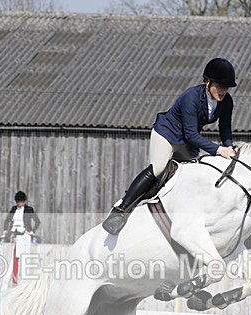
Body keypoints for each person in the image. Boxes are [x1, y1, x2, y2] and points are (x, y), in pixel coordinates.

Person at [102, 57, 238, 235]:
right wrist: (219, 150)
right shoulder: (191, 97)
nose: (223, 91)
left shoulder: (226, 101)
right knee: (158, 169)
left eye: (226, 87)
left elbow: (225, 128)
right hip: (167, 134)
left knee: (194, 175)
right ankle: (120, 210)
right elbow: (192, 134)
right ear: (208, 82)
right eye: (220, 86)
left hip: (187, 141)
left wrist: (230, 147)